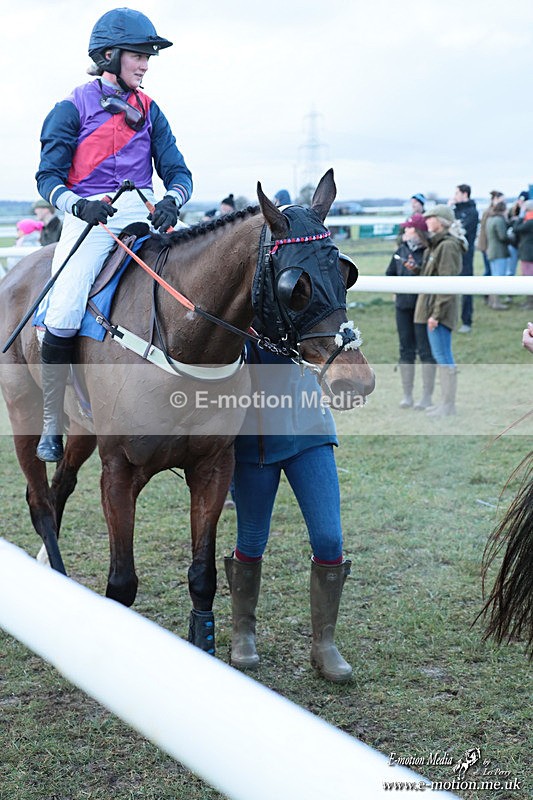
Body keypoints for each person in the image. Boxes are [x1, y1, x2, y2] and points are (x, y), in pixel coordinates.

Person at [34, 7, 192, 463]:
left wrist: (172, 200)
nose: (145, 64)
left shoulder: (151, 109)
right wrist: (77, 205)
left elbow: (178, 171)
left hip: (144, 214)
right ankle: (51, 421)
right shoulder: (70, 107)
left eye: (148, 56)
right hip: (91, 217)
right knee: (63, 308)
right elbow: (47, 177)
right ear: (109, 56)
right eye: (138, 55)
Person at [224, 343, 352, 683]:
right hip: (254, 440)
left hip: (309, 430)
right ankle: (243, 633)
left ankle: (324, 644)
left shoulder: (303, 298)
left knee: (329, 539)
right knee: (251, 540)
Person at [414, 205, 467, 416]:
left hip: (440, 312)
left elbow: (447, 284)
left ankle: (448, 405)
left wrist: (435, 314)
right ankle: (445, 403)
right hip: (434, 310)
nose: (426, 220)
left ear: (441, 221)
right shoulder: (437, 245)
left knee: (443, 356)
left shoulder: (447, 246)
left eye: (431, 217)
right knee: (440, 355)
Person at [385, 213, 436, 409]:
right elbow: (390, 273)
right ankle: (407, 394)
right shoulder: (400, 249)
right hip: (403, 307)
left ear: (417, 232)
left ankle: (426, 397)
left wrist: (417, 270)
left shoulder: (429, 252)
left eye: (408, 228)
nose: (404, 231)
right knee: (405, 350)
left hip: (422, 308)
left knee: (425, 351)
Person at [452, 184, 479, 333]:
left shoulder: (472, 212)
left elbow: (459, 231)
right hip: (452, 256)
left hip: (466, 256)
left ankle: (467, 321)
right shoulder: (455, 210)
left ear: (464, 194)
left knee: (466, 288)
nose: (454, 196)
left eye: (456, 193)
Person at [485, 200, 511, 310]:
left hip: (491, 251)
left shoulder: (490, 219)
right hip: (499, 252)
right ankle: (496, 303)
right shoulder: (499, 220)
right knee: (498, 279)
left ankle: (492, 301)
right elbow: (503, 236)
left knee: (494, 278)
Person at [476, 190, 504, 280]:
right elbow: (484, 230)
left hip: (490, 246)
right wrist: (486, 247)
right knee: (489, 270)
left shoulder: (493, 212)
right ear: (495, 199)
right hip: (487, 246)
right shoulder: (488, 212)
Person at [513, 200, 533, 310]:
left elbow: (516, 229)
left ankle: (530, 303)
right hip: (529, 253)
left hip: (528, 254)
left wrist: (520, 215)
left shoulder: (530, 222)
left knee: (528, 278)